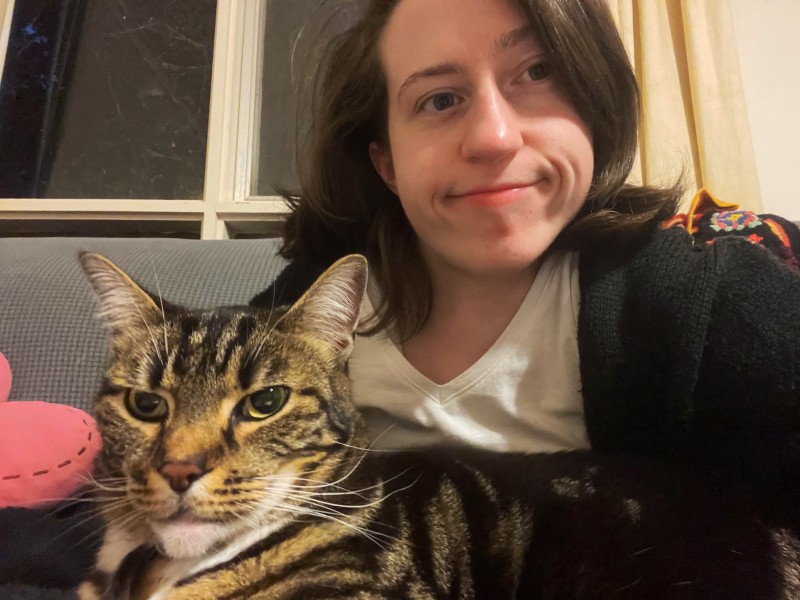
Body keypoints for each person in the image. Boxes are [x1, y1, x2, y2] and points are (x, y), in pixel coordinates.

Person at [253, 0, 800, 495]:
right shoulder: (312, 292)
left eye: (538, 72)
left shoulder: (703, 302)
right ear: (388, 163)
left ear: (592, 104)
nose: (494, 138)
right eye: (439, 99)